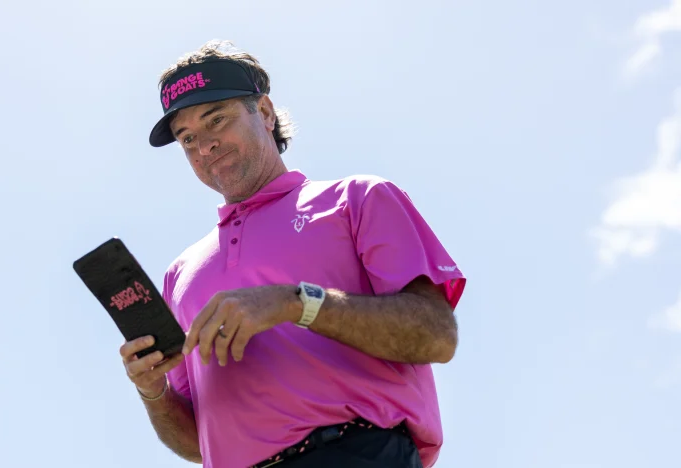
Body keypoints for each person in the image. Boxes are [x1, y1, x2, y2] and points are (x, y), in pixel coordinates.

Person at [119, 40, 467, 468]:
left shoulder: (356, 199)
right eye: (187, 138)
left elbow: (435, 334)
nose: (204, 145)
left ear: (264, 112)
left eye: (217, 120)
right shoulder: (179, 275)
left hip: (354, 455)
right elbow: (199, 442)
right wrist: (153, 392)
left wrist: (295, 303)